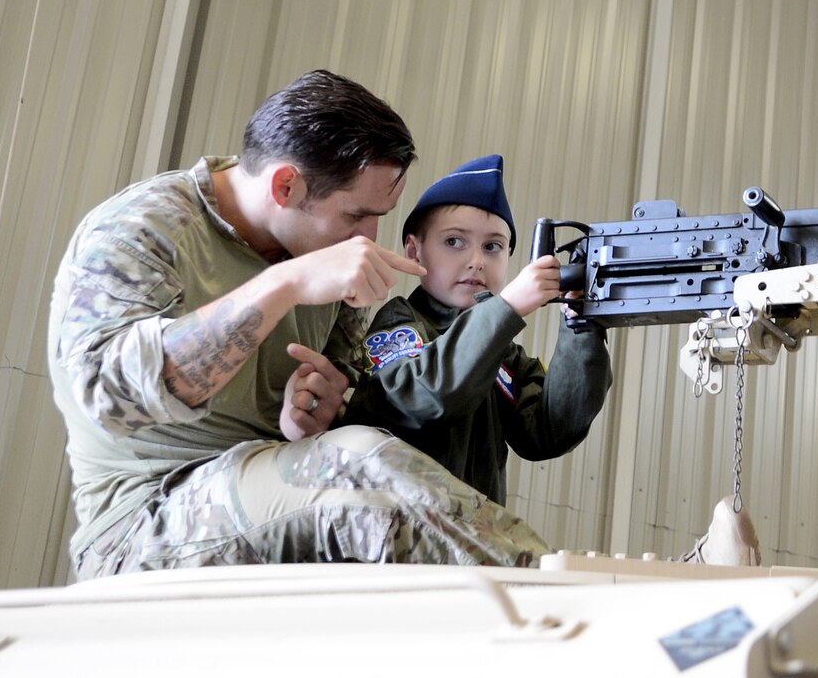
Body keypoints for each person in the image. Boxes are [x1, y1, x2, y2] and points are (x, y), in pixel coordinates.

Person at [49, 71, 551, 578]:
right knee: (356, 471)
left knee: (365, 463)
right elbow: (107, 395)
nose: (370, 236)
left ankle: (552, 583)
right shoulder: (143, 229)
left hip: (275, 495)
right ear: (285, 186)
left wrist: (322, 408)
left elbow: (341, 408)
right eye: (356, 215)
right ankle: (560, 597)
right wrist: (285, 284)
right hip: (145, 523)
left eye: (381, 216)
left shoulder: (327, 255)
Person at [341, 156, 611, 503]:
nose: (476, 261)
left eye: (493, 246)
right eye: (454, 242)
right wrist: (508, 308)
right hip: (401, 534)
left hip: (472, 537)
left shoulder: (504, 352)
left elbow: (546, 432)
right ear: (414, 251)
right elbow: (423, 399)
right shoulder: (401, 321)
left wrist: (580, 325)